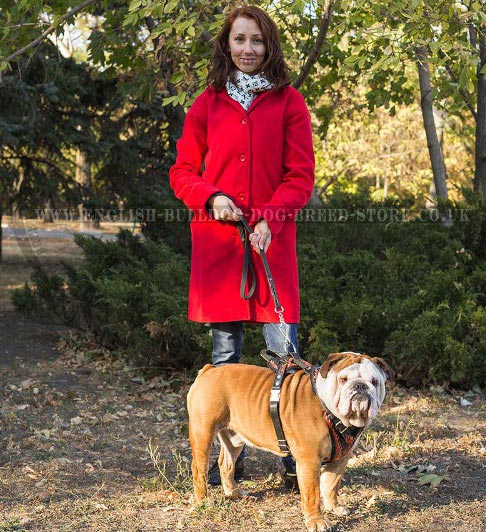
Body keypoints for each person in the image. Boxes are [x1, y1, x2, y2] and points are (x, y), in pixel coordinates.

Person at [169, 5, 315, 487]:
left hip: (272, 247)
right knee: (226, 359)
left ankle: (297, 464)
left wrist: (272, 217)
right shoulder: (206, 104)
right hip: (221, 250)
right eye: (239, 40)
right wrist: (210, 198)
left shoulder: (290, 102)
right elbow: (183, 172)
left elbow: (300, 176)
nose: (248, 49)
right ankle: (226, 466)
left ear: (269, 45)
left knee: (285, 359)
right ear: (226, 45)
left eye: (257, 40)